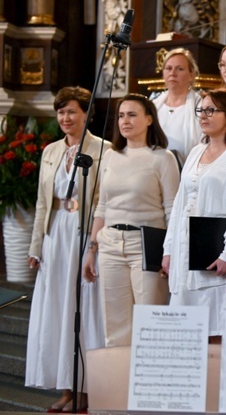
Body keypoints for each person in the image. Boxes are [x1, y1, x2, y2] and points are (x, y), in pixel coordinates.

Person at [25, 87, 109, 412]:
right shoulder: (50, 151)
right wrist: (36, 246)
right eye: (60, 112)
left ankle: (86, 387)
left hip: (84, 232)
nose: (65, 118)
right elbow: (42, 202)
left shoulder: (104, 150)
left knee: (81, 308)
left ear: (86, 113)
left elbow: (104, 200)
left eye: (71, 111)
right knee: (57, 308)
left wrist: (95, 242)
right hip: (54, 232)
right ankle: (65, 387)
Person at [83, 94, 180, 347]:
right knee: (115, 328)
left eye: (132, 114)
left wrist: (170, 252)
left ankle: (149, 385)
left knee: (150, 324)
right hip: (111, 245)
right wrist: (91, 250)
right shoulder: (111, 156)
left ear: (149, 119)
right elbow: (102, 207)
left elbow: (173, 210)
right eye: (121, 115)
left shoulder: (163, 158)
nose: (125, 121)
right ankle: (118, 385)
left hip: (146, 244)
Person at [162, 90, 226, 339]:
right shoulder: (195, 152)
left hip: (216, 255)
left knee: (215, 332)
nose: (203, 115)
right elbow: (179, 204)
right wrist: (169, 248)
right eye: (201, 110)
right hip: (185, 252)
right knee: (185, 334)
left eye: (211, 110)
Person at [152, 48, 203, 164]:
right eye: (168, 68)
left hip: (187, 169)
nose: (172, 73)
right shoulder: (153, 107)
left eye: (179, 69)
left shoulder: (201, 107)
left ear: (191, 75)